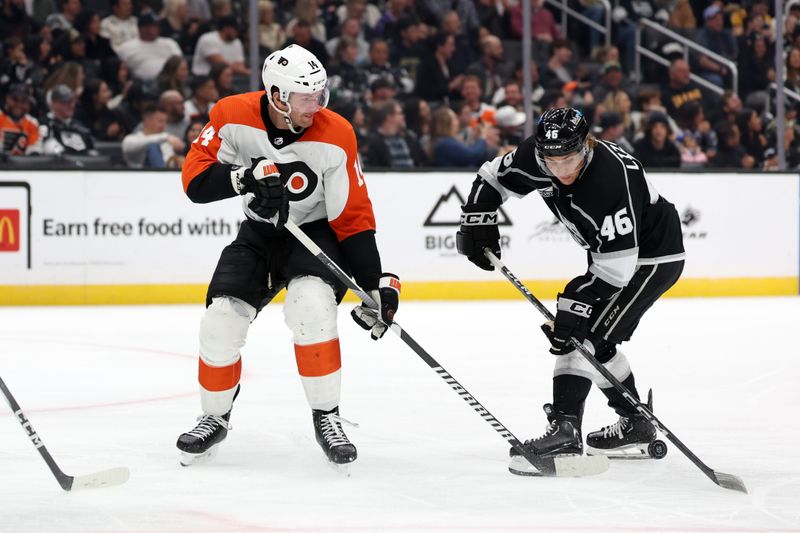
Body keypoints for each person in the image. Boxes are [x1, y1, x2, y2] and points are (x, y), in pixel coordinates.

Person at [177, 44, 400, 469]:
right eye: (307, 97)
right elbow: (195, 180)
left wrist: (372, 283)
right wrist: (243, 178)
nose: (318, 104)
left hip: (313, 234)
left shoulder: (337, 133)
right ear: (278, 96)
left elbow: (352, 217)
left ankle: (327, 417)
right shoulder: (230, 114)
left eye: (321, 93)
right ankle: (214, 416)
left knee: (311, 307)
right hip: (261, 232)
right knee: (220, 320)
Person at [456, 107, 685, 475]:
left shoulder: (611, 180)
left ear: (587, 145)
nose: (561, 170)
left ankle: (565, 431)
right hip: (611, 258)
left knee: (582, 337)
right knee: (596, 339)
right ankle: (636, 422)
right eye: (552, 161)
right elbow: (493, 176)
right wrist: (478, 219)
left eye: (570, 159)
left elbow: (618, 268)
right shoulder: (538, 154)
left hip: (651, 257)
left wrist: (575, 304)